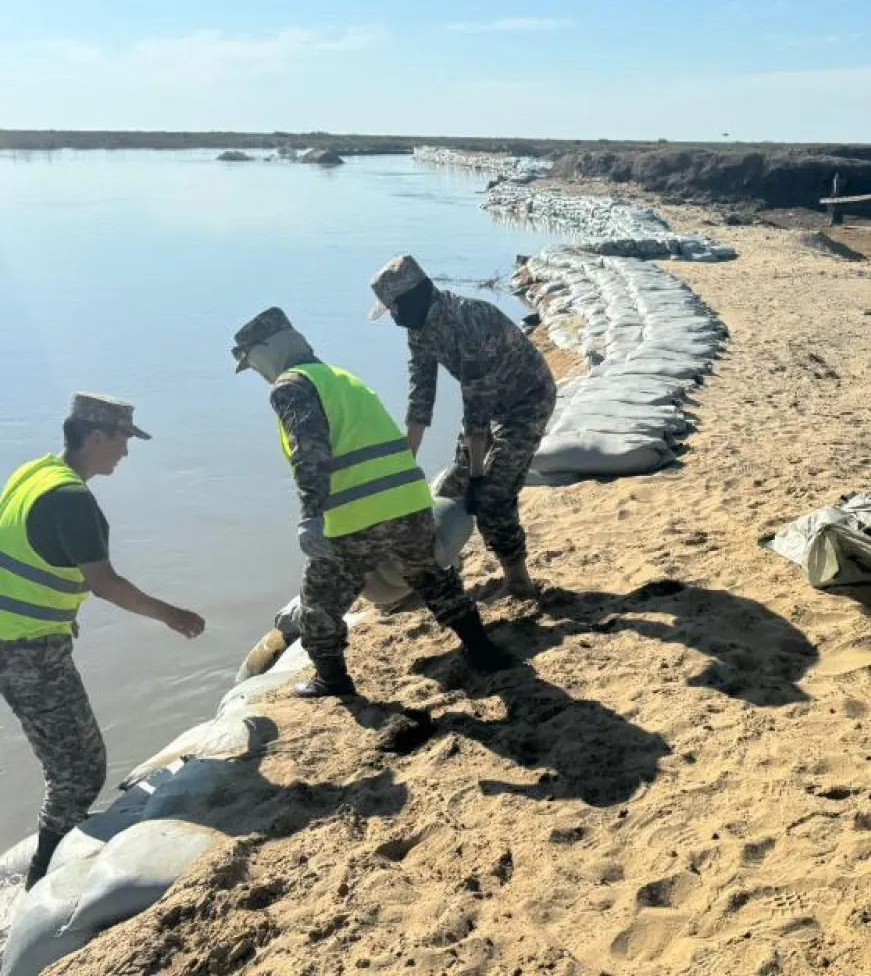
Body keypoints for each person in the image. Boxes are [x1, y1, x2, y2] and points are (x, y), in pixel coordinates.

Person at [231, 307, 509, 698]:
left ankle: (332, 680)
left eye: (252, 363)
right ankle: (484, 651)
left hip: (354, 517)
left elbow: (308, 453)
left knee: (319, 604)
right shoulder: (341, 378)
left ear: (265, 351)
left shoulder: (291, 387)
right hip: (409, 504)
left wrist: (310, 518)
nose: (257, 373)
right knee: (433, 579)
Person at [0, 394, 205, 888]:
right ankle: (44, 875)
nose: (126, 453)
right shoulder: (70, 499)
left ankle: (54, 857)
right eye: (123, 440)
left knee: (72, 763)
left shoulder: (36, 472)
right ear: (95, 436)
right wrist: (173, 616)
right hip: (26, 651)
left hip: (17, 641)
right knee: (78, 772)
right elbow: (104, 582)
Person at [368, 255, 556, 598]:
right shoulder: (420, 329)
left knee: (491, 496)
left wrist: (477, 475)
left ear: (412, 297)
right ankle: (442, 577)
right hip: (489, 408)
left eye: (394, 308)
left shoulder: (468, 322)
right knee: (449, 491)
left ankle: (518, 580)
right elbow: (421, 395)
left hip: (526, 402)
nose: (394, 317)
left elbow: (477, 409)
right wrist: (404, 463)